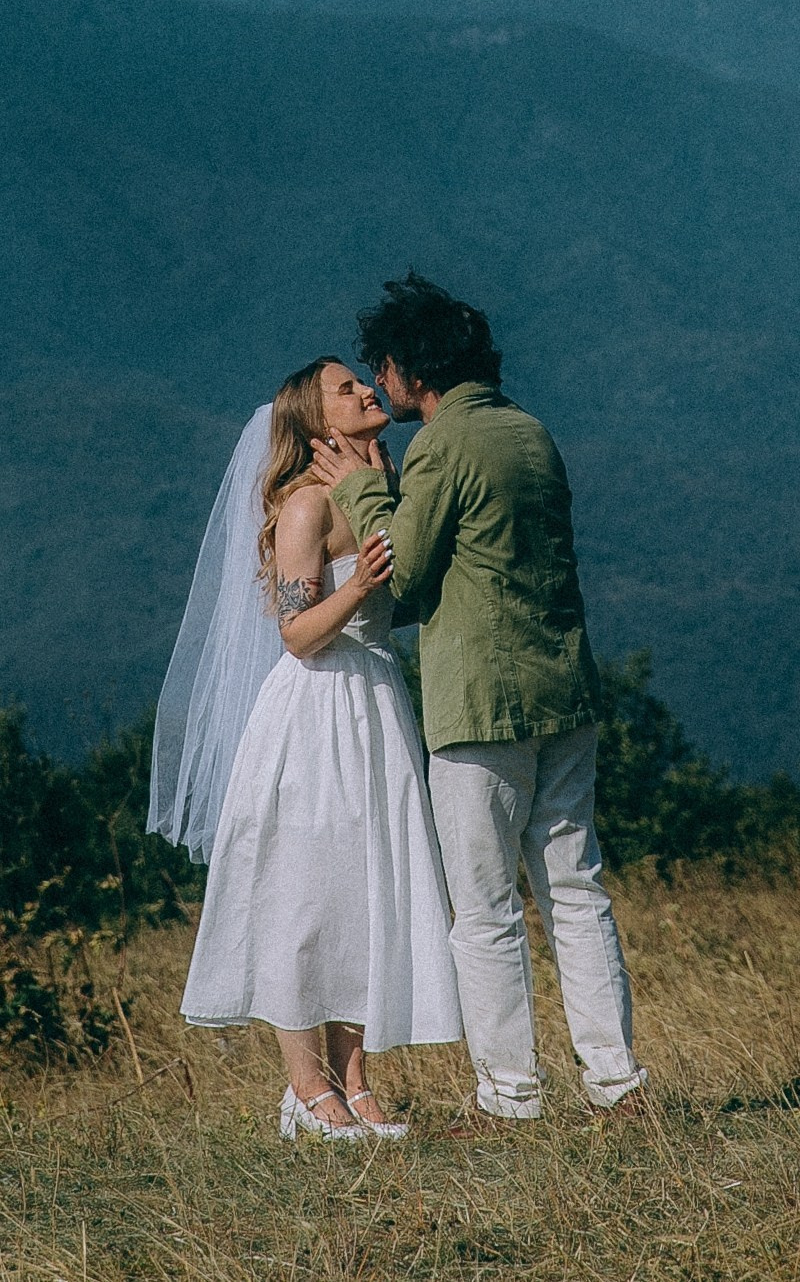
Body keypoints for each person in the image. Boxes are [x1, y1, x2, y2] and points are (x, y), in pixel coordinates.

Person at [315, 274, 646, 1123]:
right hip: (564, 687)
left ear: (408, 367)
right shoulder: (529, 431)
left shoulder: (441, 445)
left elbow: (407, 569)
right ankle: (615, 1082)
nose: (378, 384)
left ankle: (511, 1092)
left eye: (380, 369)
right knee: (575, 888)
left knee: (486, 905)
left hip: (481, 701)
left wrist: (359, 486)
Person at [150, 357, 463, 1140]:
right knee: (304, 898)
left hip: (376, 702)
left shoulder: (381, 491)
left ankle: (356, 1080)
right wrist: (356, 588)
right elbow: (294, 635)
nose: (366, 389)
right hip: (316, 711)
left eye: (364, 381)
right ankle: (306, 1087)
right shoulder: (305, 506)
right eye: (345, 389)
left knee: (367, 889)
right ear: (318, 423)